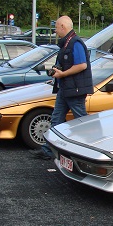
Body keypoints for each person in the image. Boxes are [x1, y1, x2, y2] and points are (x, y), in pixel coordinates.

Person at [32, 15, 92, 160]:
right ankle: (48, 150)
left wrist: (63, 73)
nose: (55, 31)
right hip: (65, 88)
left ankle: (88, 150)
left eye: (56, 28)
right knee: (56, 119)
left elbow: (82, 65)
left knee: (81, 121)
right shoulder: (67, 43)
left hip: (74, 90)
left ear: (63, 27)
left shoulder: (75, 43)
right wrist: (57, 70)